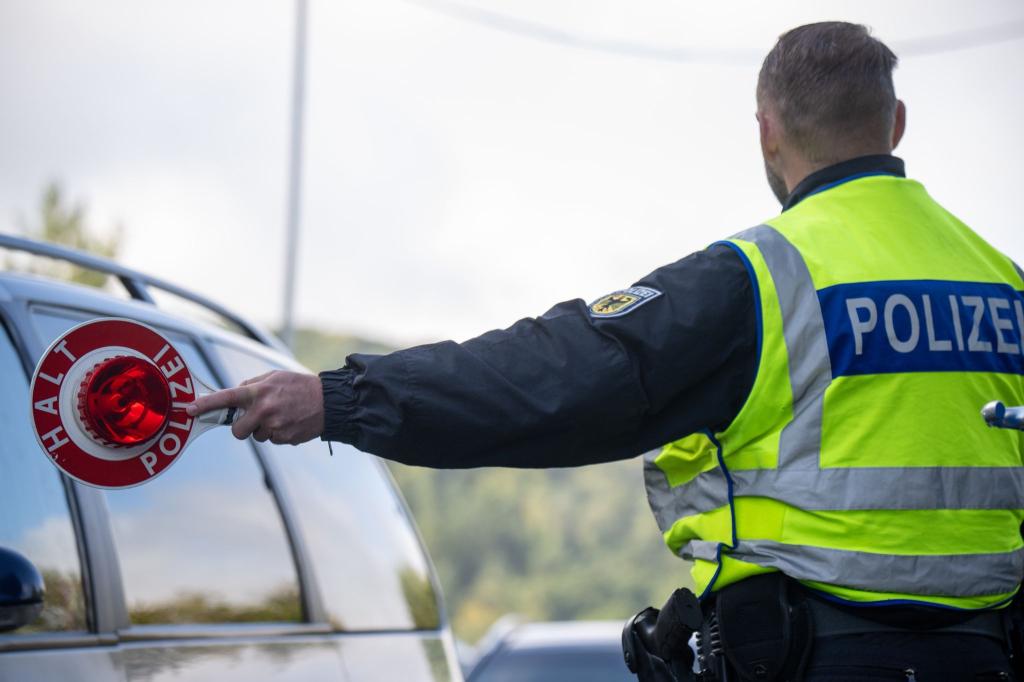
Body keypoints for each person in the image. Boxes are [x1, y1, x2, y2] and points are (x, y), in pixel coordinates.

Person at [190, 21, 1024, 680]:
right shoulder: (1004, 283)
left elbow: (548, 380)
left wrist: (339, 398)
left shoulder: (759, 279)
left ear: (767, 131)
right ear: (896, 122)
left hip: (814, 658)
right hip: (989, 657)